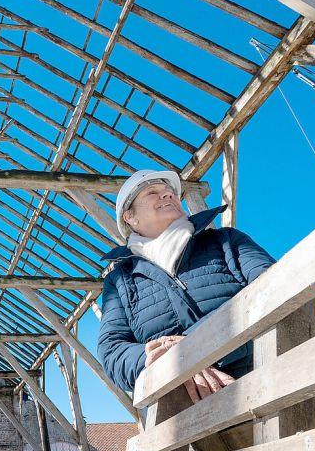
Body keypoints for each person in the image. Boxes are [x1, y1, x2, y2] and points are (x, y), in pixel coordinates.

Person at [96, 170, 275, 402]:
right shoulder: (120, 280)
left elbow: (272, 287)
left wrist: (188, 351)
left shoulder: (225, 242)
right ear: (130, 217)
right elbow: (112, 352)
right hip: (179, 410)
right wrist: (155, 357)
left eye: (171, 192)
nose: (168, 195)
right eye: (153, 192)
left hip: (262, 378)